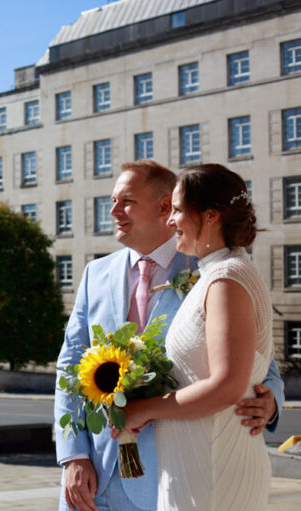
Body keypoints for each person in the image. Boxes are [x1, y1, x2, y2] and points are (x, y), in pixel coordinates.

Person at [53, 160, 285, 511]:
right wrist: (72, 456)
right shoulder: (95, 274)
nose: (113, 211)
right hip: (94, 476)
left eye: (126, 201)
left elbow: (257, 362)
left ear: (165, 207)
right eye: (111, 201)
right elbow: (70, 366)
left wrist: (271, 403)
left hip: (173, 472)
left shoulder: (212, 272)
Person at [114, 164, 275, 510]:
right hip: (199, 463)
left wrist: (143, 410)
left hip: (213, 465)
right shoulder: (221, 272)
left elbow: (227, 386)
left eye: (176, 210)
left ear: (211, 216)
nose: (170, 221)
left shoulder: (226, 280)